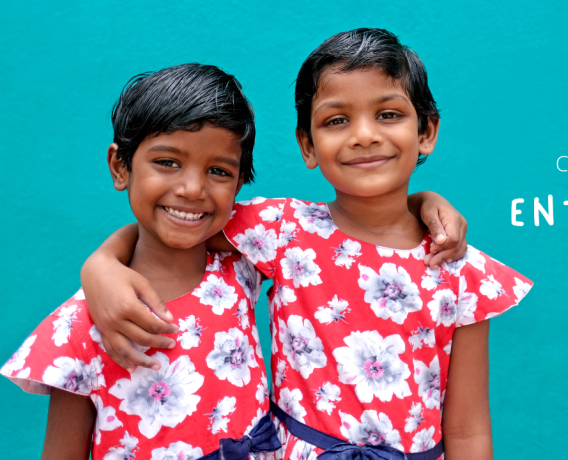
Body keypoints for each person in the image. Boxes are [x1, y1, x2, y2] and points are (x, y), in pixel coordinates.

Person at [81, 29, 532, 460]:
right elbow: (178, 227)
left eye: (388, 114)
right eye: (337, 120)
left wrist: (424, 201)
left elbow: (469, 427)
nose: (364, 135)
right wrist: (101, 265)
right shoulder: (283, 230)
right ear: (307, 144)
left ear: (426, 132)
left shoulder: (461, 268)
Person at [1, 62, 467, 459]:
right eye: (167, 162)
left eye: (219, 171)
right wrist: (100, 266)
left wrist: (423, 201)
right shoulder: (81, 323)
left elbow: (358, 231)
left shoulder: (240, 268)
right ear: (121, 166)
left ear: (240, 182)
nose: (191, 189)